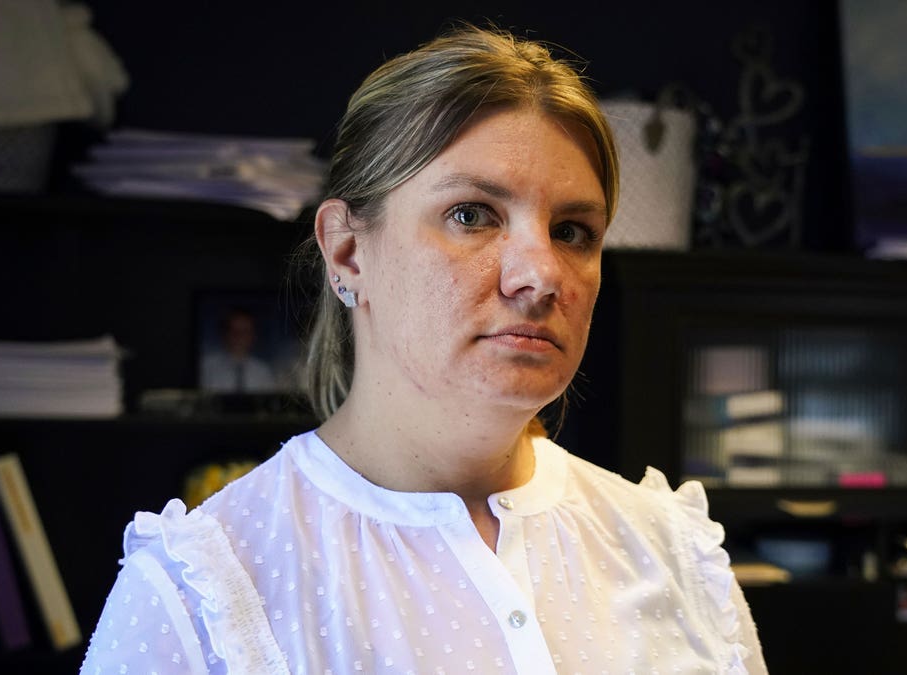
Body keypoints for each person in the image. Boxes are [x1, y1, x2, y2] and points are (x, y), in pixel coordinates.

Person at [80, 23, 768, 674]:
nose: (542, 273)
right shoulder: (203, 592)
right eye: (471, 214)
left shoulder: (674, 556)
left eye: (574, 230)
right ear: (347, 251)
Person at [198, 306, 278, 393]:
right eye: (233, 330)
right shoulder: (206, 367)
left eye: (245, 331)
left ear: (253, 336)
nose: (239, 336)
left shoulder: (263, 371)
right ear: (225, 334)